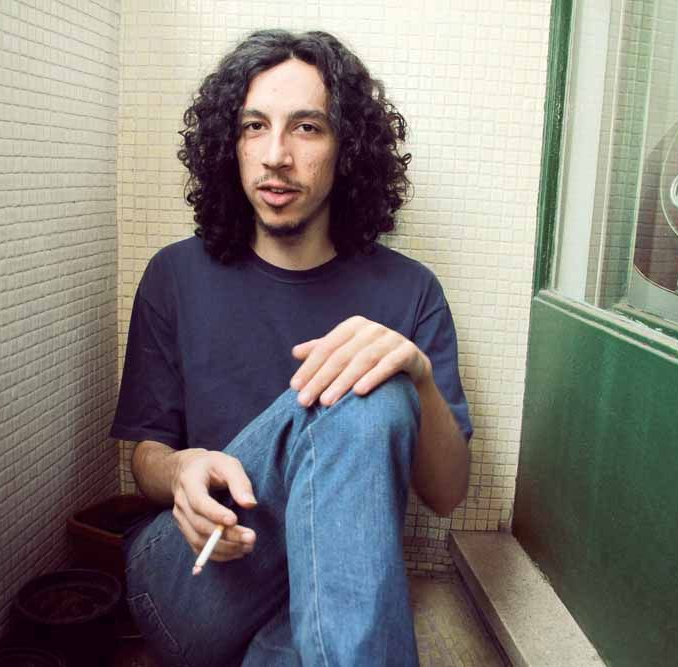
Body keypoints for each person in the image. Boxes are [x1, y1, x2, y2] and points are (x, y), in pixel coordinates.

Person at [111, 29, 472, 666]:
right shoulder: (175, 275)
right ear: (230, 145)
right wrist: (182, 471)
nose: (276, 155)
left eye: (307, 128)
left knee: (383, 379)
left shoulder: (410, 292)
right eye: (254, 127)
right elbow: (146, 456)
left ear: (347, 148)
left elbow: (446, 494)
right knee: (368, 392)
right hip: (196, 573)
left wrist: (416, 373)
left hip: (337, 589)